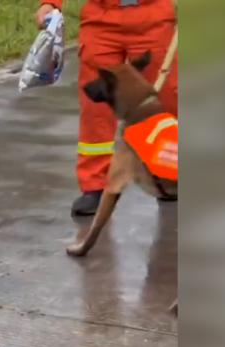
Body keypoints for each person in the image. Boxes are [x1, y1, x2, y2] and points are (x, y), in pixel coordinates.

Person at [36, 0, 178, 215]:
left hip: (153, 17)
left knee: (162, 102)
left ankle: (166, 176)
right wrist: (50, 4)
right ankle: (95, 186)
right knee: (96, 110)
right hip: (101, 21)